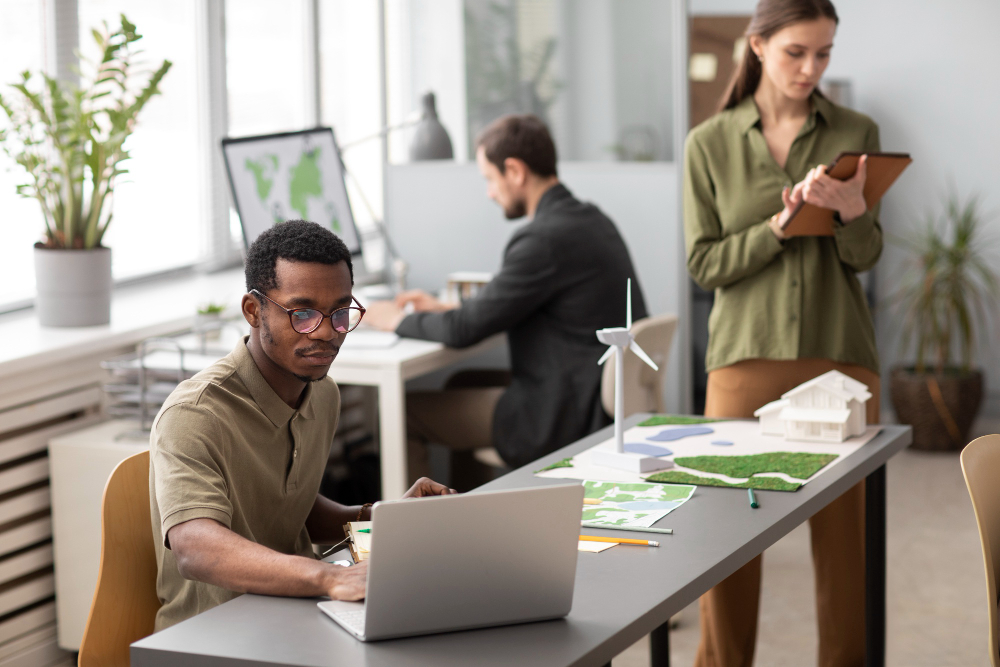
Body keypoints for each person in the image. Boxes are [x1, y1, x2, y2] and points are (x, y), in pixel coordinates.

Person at [683, 1, 882, 666]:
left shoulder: (856, 130)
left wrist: (852, 212)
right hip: (744, 359)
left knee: (846, 551)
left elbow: (866, 255)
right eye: (797, 51)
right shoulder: (707, 143)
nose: (811, 67)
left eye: (823, 53)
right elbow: (704, 263)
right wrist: (778, 224)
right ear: (759, 45)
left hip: (840, 357)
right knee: (729, 538)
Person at [149, 220, 455, 631]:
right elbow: (195, 549)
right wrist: (330, 577)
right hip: (215, 632)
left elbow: (291, 509)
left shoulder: (322, 393)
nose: (328, 332)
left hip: (296, 612)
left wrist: (382, 517)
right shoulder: (195, 414)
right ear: (253, 311)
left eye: (341, 312)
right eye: (304, 313)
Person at [365, 114, 647, 476]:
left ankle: (418, 531)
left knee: (401, 413)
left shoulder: (542, 240)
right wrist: (447, 307)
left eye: (489, 179)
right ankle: (469, 514)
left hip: (564, 416)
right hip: (592, 397)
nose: (489, 192)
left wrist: (396, 319)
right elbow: (514, 302)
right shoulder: (591, 219)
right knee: (460, 382)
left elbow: (462, 330)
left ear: (514, 171)